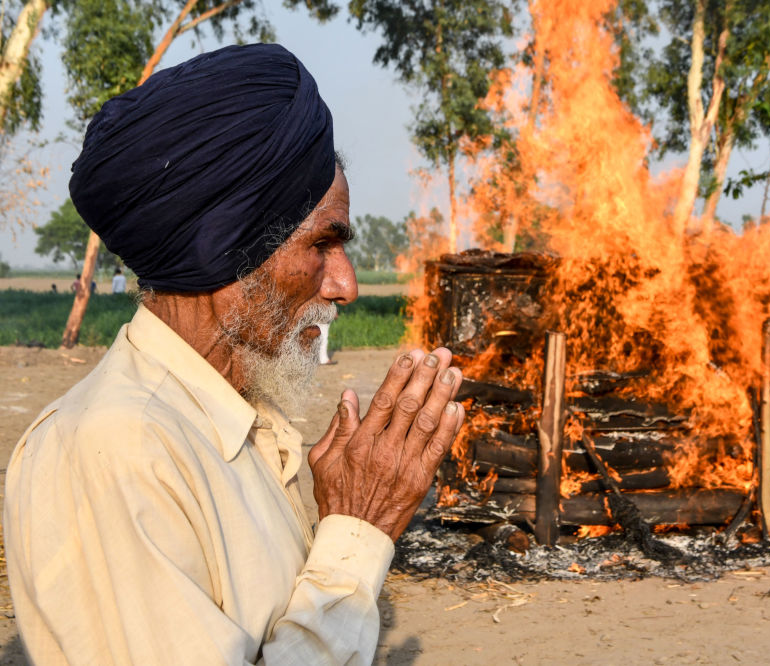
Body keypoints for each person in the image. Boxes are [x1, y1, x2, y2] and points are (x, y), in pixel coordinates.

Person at [4, 44, 465, 665]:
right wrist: (356, 534)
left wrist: (336, 523)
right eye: (323, 244)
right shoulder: (116, 447)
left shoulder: (223, 422)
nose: (346, 285)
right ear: (227, 248)